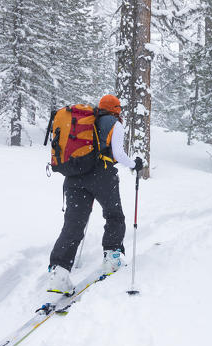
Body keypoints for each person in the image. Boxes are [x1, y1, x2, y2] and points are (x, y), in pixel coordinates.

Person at [47, 94, 144, 295]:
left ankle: (59, 271)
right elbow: (118, 154)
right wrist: (135, 164)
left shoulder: (86, 122)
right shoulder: (114, 123)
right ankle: (112, 256)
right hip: (102, 177)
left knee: (73, 224)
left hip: (74, 178)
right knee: (114, 215)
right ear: (116, 109)